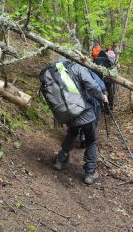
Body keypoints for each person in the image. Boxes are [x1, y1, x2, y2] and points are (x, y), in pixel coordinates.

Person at [53, 57, 108, 185]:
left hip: (68, 111)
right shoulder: (77, 68)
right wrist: (102, 97)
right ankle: (90, 172)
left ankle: (60, 160)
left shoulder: (58, 72)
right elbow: (92, 86)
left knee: (72, 133)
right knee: (92, 140)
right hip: (83, 110)